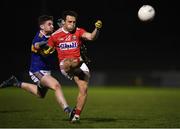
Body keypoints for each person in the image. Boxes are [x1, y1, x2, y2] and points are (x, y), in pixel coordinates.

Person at [0, 15, 71, 116]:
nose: (52, 26)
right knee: (56, 85)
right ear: (42, 27)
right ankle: (68, 110)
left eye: (52, 24)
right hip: (37, 70)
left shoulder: (52, 35)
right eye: (49, 24)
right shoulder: (39, 37)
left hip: (46, 71)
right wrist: (52, 40)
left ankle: (16, 83)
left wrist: (62, 30)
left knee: (40, 94)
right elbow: (36, 45)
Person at [45, 10, 102, 123]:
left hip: (79, 66)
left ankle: (76, 116)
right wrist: (46, 51)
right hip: (66, 66)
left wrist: (97, 29)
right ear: (63, 22)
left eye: (74, 22)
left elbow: (91, 37)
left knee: (84, 89)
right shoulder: (55, 36)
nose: (72, 24)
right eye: (69, 21)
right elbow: (47, 50)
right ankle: (81, 59)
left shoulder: (79, 31)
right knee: (68, 62)